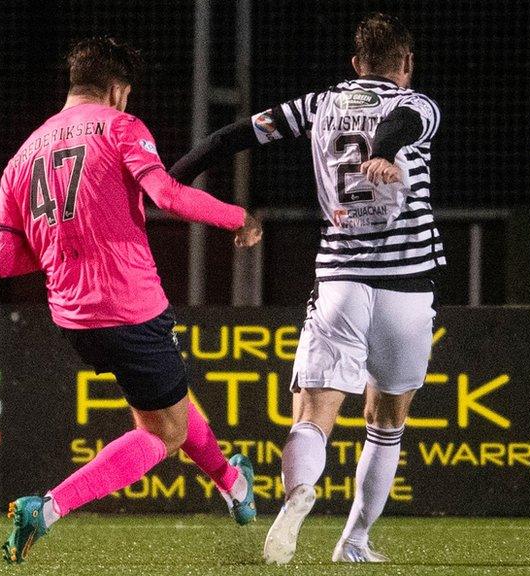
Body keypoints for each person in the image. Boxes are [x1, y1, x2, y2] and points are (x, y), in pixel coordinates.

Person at [170, 12, 442, 564]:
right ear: (405, 65)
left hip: (340, 279)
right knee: (388, 422)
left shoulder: (318, 104)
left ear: (354, 64)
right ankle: (355, 541)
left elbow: (231, 137)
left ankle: (298, 496)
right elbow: (400, 128)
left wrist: (169, 182)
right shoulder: (417, 104)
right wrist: (384, 154)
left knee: (313, 416)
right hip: (407, 287)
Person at [0, 37, 264, 564]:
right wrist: (239, 218)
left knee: (169, 408)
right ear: (118, 91)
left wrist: (63, 247)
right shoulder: (120, 127)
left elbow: (3, 260)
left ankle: (233, 484)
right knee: (164, 432)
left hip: (73, 316)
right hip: (129, 306)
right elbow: (167, 195)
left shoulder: (22, 155)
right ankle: (45, 508)